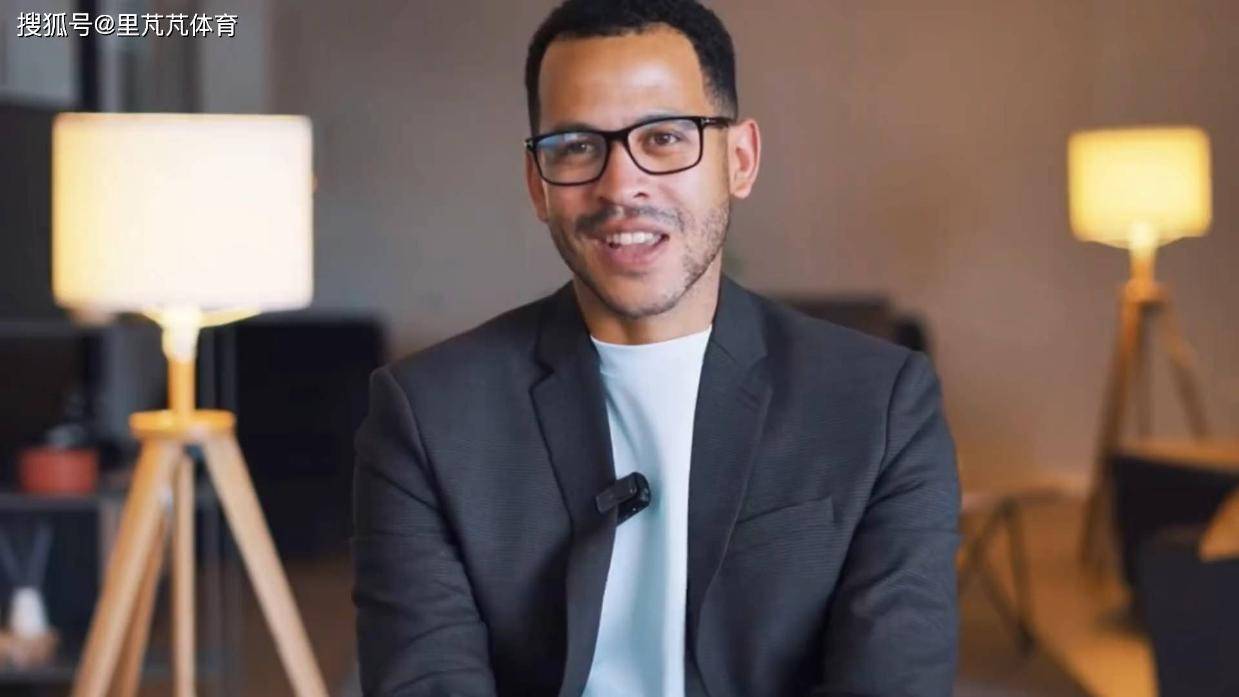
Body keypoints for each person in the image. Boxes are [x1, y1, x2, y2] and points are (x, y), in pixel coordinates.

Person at [352, 0, 961, 695]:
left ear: (739, 160)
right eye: (576, 146)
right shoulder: (427, 416)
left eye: (666, 137)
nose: (620, 186)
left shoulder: (880, 405)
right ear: (537, 184)